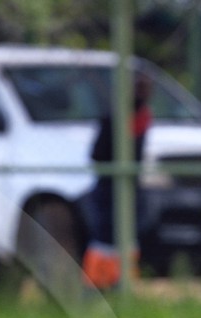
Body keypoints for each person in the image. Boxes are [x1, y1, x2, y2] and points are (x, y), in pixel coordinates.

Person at [81, 73, 152, 287]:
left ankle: (125, 285)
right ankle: (95, 285)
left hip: (131, 189)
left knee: (129, 237)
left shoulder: (142, 117)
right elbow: (97, 154)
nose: (142, 92)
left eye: (145, 88)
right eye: (138, 87)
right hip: (108, 189)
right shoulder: (114, 117)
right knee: (105, 238)